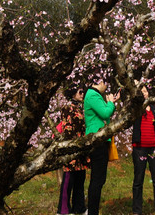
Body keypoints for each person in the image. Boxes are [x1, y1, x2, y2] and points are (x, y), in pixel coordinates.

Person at [84, 77, 119, 215]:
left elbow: (105, 113)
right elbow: (105, 113)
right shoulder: (92, 95)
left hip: (100, 139)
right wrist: (110, 103)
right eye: (106, 83)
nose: (107, 87)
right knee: (97, 179)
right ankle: (92, 212)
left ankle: (92, 211)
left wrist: (111, 103)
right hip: (96, 139)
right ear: (100, 82)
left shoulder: (95, 95)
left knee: (99, 178)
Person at [131, 85, 155, 215]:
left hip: (154, 148)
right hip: (139, 148)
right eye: (141, 91)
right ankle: (137, 211)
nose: (144, 93)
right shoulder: (135, 109)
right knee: (138, 180)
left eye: (145, 91)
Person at [57, 86, 88, 215]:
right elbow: (67, 128)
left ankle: (79, 208)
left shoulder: (80, 109)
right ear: (73, 93)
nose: (82, 94)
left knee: (80, 180)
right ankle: (63, 210)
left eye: (83, 92)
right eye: (80, 92)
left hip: (81, 149)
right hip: (71, 149)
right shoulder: (67, 108)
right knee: (68, 180)